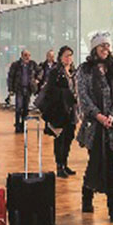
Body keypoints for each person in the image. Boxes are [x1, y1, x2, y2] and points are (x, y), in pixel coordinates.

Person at [77, 32, 113, 223]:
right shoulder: (85, 70)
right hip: (94, 127)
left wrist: (112, 114)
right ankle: (87, 197)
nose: (105, 50)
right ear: (94, 49)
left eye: (108, 46)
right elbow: (83, 97)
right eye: (101, 46)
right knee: (95, 162)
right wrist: (99, 116)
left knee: (112, 166)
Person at [41, 45, 78, 177]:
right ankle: (59, 166)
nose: (69, 58)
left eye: (70, 55)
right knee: (60, 139)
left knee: (69, 138)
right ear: (61, 57)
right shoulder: (55, 72)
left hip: (72, 111)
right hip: (60, 111)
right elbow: (50, 91)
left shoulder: (73, 72)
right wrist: (66, 94)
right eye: (66, 55)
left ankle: (65, 163)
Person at [7, 49, 38, 133]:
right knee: (18, 108)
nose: (27, 57)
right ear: (21, 56)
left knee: (25, 108)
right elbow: (10, 77)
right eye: (25, 55)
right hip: (19, 89)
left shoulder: (32, 64)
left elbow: (40, 71)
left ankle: (24, 125)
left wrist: (37, 79)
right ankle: (17, 125)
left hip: (28, 89)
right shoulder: (15, 65)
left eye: (29, 55)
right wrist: (10, 89)